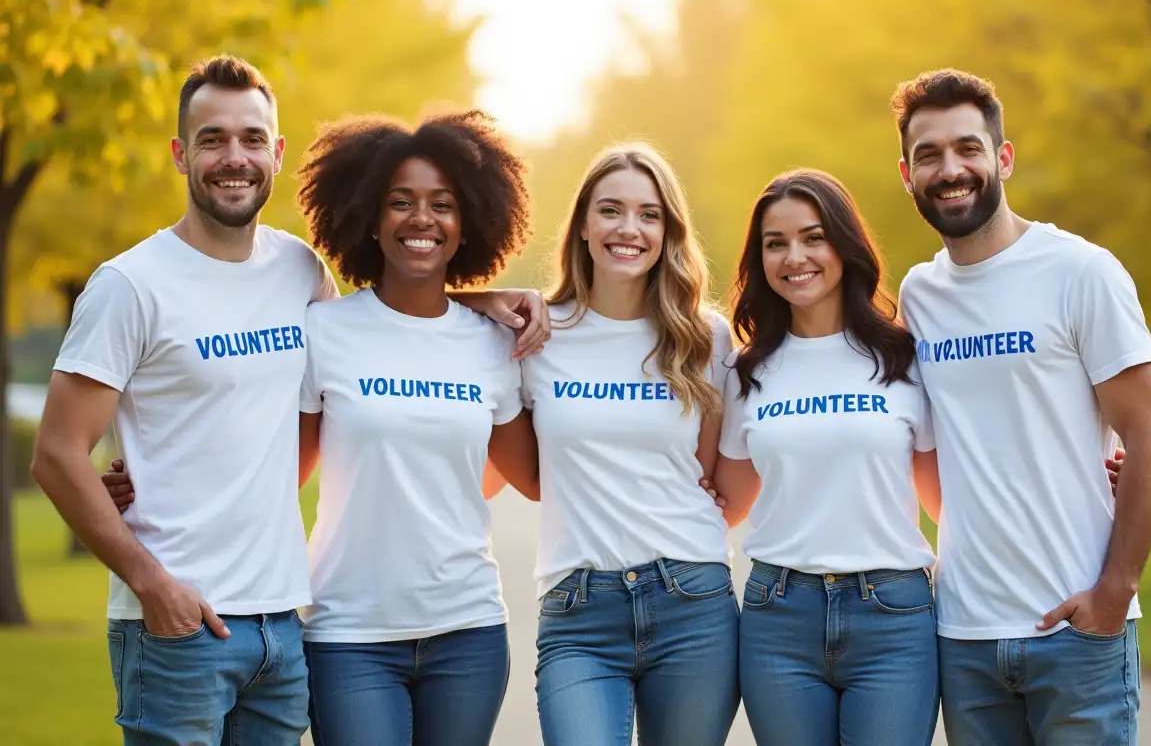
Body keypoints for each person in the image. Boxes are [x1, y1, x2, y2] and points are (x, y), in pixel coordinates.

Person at [31, 55, 548, 746]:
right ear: (181, 154)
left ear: (275, 153)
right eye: (212, 139)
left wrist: (481, 302)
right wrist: (150, 582)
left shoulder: (300, 273)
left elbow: (397, 323)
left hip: (282, 626)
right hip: (182, 621)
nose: (233, 158)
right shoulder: (131, 285)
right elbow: (57, 454)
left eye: (251, 140)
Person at [891, 69, 1151, 745]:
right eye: (929, 155)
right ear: (906, 174)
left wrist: (1114, 594)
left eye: (968, 148)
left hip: (1077, 634)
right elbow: (933, 447)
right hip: (964, 637)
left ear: (1003, 157)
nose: (950, 169)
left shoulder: (1081, 272)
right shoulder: (919, 295)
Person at [290, 110, 541, 746]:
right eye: (400, 202)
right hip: (349, 634)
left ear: (469, 223)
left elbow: (534, 477)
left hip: (468, 631)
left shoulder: (492, 343)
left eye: (442, 204)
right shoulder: (324, 332)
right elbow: (279, 473)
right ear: (370, 218)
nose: (421, 219)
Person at [711, 168, 941, 746]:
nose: (796, 257)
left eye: (813, 237)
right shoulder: (747, 372)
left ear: (844, 244)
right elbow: (725, 503)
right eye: (776, 243)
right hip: (778, 617)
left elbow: (948, 497)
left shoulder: (906, 358)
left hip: (892, 616)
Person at [521, 144, 739, 746]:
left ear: (668, 230)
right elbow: (429, 311)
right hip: (577, 610)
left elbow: (710, 477)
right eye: (611, 210)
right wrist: (485, 299)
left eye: (649, 214)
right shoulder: (537, 333)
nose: (629, 229)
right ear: (584, 226)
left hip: (691, 603)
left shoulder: (705, 337)